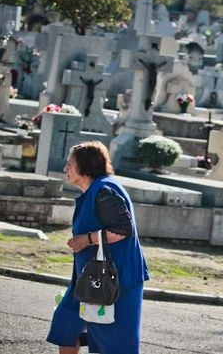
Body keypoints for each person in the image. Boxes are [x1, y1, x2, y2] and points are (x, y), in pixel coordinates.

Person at [47, 141, 150, 354]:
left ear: (85, 166)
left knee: (115, 346)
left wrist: (87, 240)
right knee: (66, 327)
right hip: (88, 279)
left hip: (116, 281)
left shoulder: (104, 190)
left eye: (70, 164)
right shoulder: (96, 189)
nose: (65, 168)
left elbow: (123, 229)